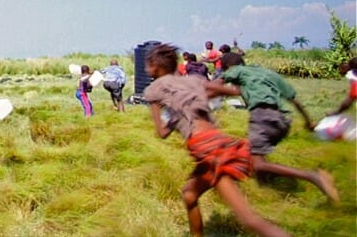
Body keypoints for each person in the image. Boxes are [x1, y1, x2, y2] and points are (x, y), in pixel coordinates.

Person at [143, 43, 289, 237]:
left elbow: (161, 133)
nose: (146, 69)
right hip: (218, 139)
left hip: (207, 149)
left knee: (248, 219)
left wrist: (174, 119)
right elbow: (231, 91)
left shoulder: (153, 90)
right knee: (189, 194)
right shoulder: (193, 81)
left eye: (147, 65)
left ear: (155, 66)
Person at [208, 52, 338, 202]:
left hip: (262, 118)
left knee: (258, 164)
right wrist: (309, 122)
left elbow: (215, 85)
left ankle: (313, 177)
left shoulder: (236, 70)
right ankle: (264, 186)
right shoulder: (267, 73)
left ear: (227, 67)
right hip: (282, 121)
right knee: (254, 153)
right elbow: (295, 101)